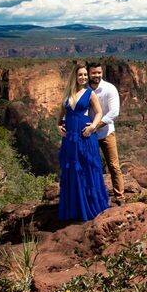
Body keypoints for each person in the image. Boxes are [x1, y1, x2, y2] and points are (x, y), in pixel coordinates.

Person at [57, 63, 110, 221]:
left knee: (87, 170)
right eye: (80, 75)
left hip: (85, 136)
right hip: (70, 139)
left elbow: (100, 112)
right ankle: (74, 208)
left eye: (85, 75)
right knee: (72, 170)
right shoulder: (67, 95)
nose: (83, 78)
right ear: (75, 76)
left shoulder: (89, 93)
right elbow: (60, 116)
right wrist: (58, 126)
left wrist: (93, 127)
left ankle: (89, 206)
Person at [86, 61, 126, 204]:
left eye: (99, 72)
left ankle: (120, 197)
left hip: (107, 133)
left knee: (114, 166)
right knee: (92, 166)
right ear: (89, 73)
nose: (96, 75)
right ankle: (95, 197)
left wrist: (95, 126)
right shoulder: (84, 90)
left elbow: (114, 112)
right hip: (89, 135)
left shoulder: (110, 89)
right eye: (93, 73)